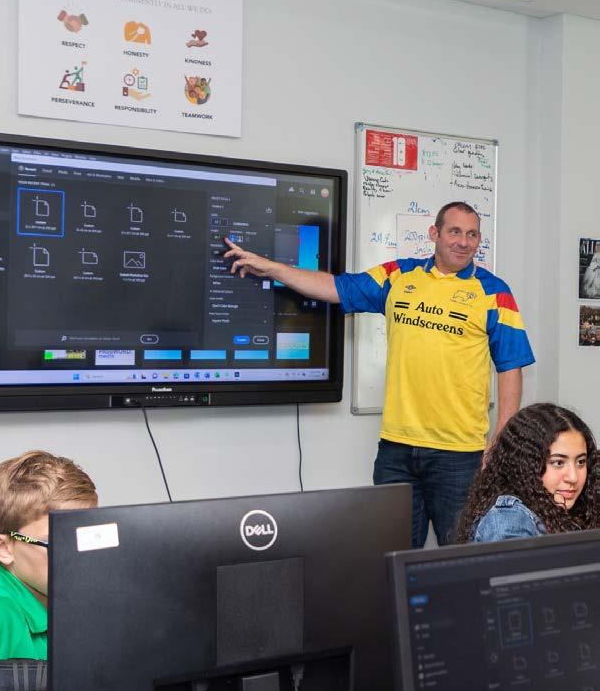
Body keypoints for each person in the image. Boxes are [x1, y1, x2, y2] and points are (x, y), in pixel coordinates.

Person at [223, 201, 535, 547]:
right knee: (392, 557)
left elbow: (511, 366)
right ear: (434, 233)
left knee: (460, 557)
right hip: (396, 450)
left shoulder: (495, 292)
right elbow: (333, 287)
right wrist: (270, 268)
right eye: (455, 231)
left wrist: (501, 439)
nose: (464, 242)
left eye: (472, 234)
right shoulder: (398, 275)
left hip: (459, 455)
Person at [0, 450, 98, 660]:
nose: (79, 556)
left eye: (85, 537)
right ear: (3, 548)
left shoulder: (85, 606)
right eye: (59, 541)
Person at [457, 403, 600, 543]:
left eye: (580, 462)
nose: (573, 477)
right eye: (558, 463)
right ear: (525, 465)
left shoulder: (569, 507)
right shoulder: (508, 518)